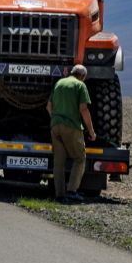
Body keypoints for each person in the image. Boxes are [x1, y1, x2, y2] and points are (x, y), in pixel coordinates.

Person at [46, 64, 96, 203]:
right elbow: (83, 109)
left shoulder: (59, 83)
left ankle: (59, 194)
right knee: (80, 158)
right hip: (72, 127)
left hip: (55, 126)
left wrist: (56, 119)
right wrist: (91, 131)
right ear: (83, 76)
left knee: (59, 162)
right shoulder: (80, 85)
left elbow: (49, 106)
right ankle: (72, 191)